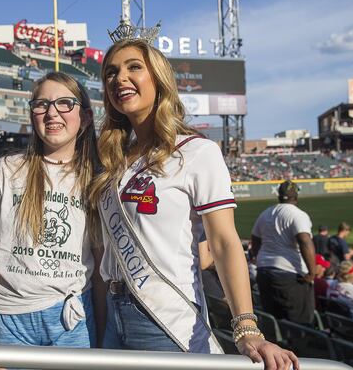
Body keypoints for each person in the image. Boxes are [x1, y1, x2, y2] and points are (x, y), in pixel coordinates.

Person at [89, 33, 297, 368]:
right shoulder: (112, 161)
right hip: (112, 314)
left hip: (162, 318)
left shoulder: (197, 152)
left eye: (133, 67)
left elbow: (224, 242)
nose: (120, 78)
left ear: (158, 79)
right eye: (111, 72)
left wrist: (246, 327)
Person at [0, 72, 103, 349]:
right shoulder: (6, 171)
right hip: (8, 321)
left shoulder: (96, 179)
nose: (52, 113)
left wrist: (100, 338)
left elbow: (98, 269)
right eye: (41, 105)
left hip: (72, 319)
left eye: (65, 103)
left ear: (85, 118)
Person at [250, 180, 316, 326]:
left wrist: (258, 257)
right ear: (296, 196)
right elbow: (304, 240)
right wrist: (312, 272)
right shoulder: (298, 214)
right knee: (300, 323)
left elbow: (255, 238)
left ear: (279, 195)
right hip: (289, 275)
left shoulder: (266, 213)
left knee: (274, 323)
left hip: (264, 272)